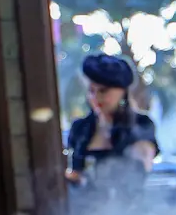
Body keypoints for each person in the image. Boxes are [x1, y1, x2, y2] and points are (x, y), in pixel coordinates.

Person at [64, 54, 158, 200]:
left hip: (130, 209)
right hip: (85, 210)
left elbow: (140, 169)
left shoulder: (141, 124)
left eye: (103, 91)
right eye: (91, 91)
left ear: (122, 92)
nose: (96, 97)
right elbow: (75, 174)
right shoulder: (80, 128)